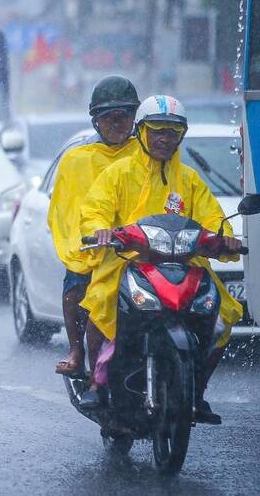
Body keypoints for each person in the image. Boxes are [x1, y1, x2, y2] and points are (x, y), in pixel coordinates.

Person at [78, 95, 243, 424]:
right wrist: (100, 231)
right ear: (141, 132)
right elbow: (94, 210)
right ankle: (97, 382)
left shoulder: (191, 180)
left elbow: (213, 221)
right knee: (101, 301)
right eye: (157, 131)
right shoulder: (118, 173)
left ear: (181, 135)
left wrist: (225, 239)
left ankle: (195, 391)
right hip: (127, 261)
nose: (165, 139)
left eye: (172, 132)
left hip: (184, 264)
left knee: (224, 314)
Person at [47, 75, 140, 376]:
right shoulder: (77, 160)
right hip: (96, 248)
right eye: (107, 117)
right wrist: (87, 238)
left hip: (141, 247)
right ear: (96, 121)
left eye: (123, 117)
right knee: (75, 289)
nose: (116, 124)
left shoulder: (148, 156)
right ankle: (77, 351)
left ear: (134, 118)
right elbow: (67, 209)